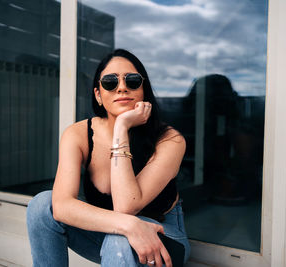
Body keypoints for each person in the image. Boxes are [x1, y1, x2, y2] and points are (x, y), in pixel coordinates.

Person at [26, 49, 190, 267]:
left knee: (119, 239)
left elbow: (125, 207)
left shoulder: (170, 140)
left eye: (132, 81)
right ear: (98, 95)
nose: (121, 87)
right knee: (41, 206)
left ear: (144, 92)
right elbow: (62, 206)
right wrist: (129, 226)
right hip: (114, 234)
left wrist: (121, 127)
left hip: (163, 239)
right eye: (110, 82)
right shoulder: (78, 134)